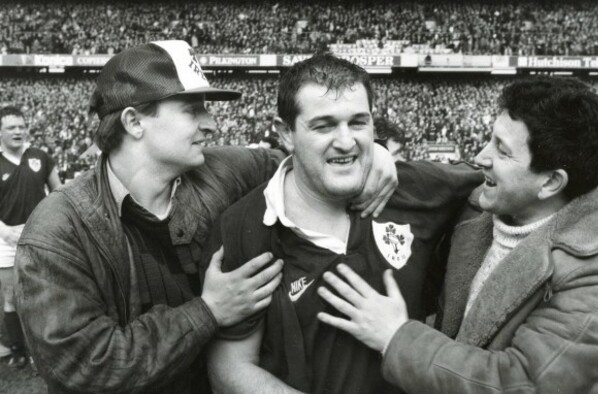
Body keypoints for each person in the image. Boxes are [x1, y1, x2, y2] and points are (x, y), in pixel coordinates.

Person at [14, 41, 397, 394]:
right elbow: (84, 366)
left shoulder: (223, 171)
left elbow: (309, 160)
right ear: (134, 122)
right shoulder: (59, 228)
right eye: (192, 109)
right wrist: (207, 311)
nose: (211, 122)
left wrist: (374, 154)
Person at [317, 77, 598, 393]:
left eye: (502, 150)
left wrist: (397, 337)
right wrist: (378, 156)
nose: (480, 157)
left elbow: (524, 383)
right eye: (490, 138)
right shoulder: (484, 203)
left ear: (549, 183)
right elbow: (445, 176)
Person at [207, 53, 485, 394]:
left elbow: (499, 175)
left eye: (358, 122)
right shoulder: (244, 225)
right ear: (286, 133)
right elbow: (229, 366)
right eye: (324, 126)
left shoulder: (413, 188)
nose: (345, 141)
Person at [0, 105, 61, 368]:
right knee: (12, 295)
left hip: (40, 235)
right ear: (0, 131)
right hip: (6, 238)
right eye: (11, 127)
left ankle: (43, 348)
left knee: (43, 293)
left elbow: (58, 191)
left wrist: (52, 223)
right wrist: (4, 231)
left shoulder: (40, 156)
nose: (17, 131)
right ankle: (18, 348)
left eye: (21, 126)